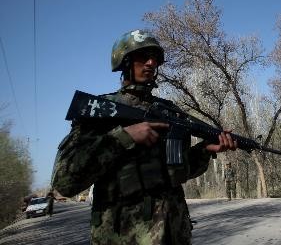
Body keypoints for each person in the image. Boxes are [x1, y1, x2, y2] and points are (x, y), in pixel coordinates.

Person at [51, 29, 238, 244]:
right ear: (125, 61)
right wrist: (123, 137)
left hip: (173, 233)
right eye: (143, 56)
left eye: (155, 58)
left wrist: (204, 151)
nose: (151, 63)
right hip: (124, 237)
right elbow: (65, 182)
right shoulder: (100, 112)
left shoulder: (169, 111)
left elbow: (176, 174)